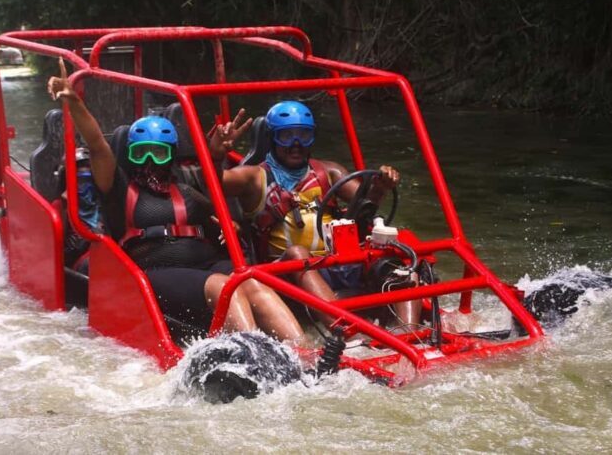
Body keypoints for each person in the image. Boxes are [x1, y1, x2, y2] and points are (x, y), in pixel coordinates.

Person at [47, 58, 306, 344]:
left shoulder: (186, 188)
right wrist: (74, 103)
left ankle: (305, 353)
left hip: (205, 264)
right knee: (222, 287)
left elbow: (216, 200)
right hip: (153, 271)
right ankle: (257, 354)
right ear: (129, 155)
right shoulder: (120, 189)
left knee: (252, 282)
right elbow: (97, 145)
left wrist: (227, 217)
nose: (148, 161)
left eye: (157, 153)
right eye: (140, 153)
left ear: (171, 156)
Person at [208, 101, 422, 329]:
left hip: (336, 263)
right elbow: (213, 184)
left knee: (390, 254)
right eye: (286, 136)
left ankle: (411, 334)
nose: (296, 144)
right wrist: (215, 154)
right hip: (284, 273)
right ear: (272, 138)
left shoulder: (329, 171)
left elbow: (364, 203)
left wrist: (381, 185)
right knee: (298, 253)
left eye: (304, 135)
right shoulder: (253, 177)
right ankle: (347, 333)